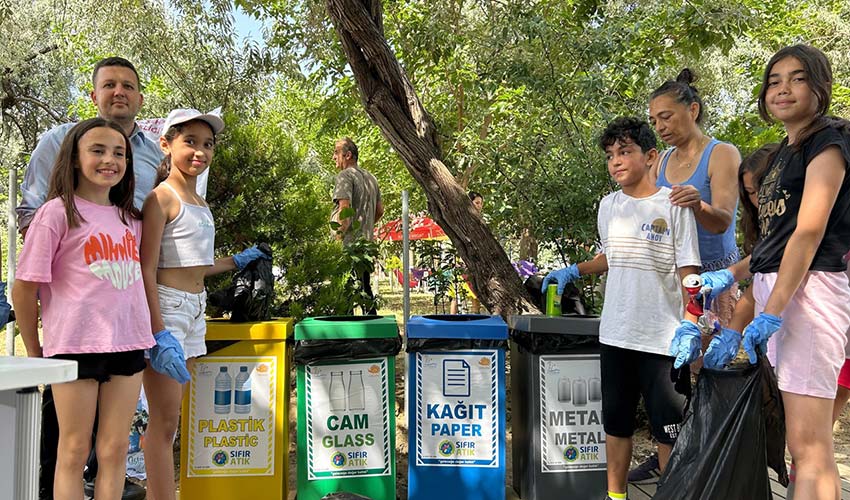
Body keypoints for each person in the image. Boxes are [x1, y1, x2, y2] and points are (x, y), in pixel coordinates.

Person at [697, 45, 850, 499]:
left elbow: (807, 234)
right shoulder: (787, 148)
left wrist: (774, 310)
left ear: (820, 86)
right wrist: (732, 275)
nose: (783, 89)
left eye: (797, 78)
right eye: (774, 80)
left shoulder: (829, 142)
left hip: (810, 291)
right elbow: (774, 241)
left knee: (810, 446)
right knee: (799, 446)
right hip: (780, 289)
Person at [18, 56, 158, 500]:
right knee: (73, 450)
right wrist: (36, 352)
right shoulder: (56, 213)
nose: (109, 160)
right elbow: (24, 288)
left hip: (129, 344)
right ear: (75, 158)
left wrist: (154, 335)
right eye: (97, 151)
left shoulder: (130, 219)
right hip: (75, 345)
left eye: (118, 153)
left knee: (115, 449)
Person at [541, 117, 700, 500]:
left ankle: (671, 494)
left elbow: (690, 272)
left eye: (625, 152)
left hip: (663, 339)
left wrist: (691, 323)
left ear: (650, 156)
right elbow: (612, 255)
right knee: (616, 424)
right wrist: (573, 270)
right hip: (615, 333)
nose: (616, 161)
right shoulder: (609, 206)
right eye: (610, 155)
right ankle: (616, 496)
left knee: (668, 427)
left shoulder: (674, 204)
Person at [140, 108, 269, 500]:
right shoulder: (160, 198)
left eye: (207, 144)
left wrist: (237, 261)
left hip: (195, 310)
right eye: (190, 142)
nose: (200, 151)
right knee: (162, 426)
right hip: (169, 310)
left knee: (171, 423)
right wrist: (158, 330)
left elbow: (196, 266)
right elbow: (145, 269)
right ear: (166, 145)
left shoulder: (199, 201)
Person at [630, 68, 742, 483]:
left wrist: (698, 204)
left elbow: (723, 220)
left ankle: (722, 460)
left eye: (667, 116)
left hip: (715, 281)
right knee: (676, 374)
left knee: (714, 373)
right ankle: (673, 457)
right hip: (674, 283)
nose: (659, 127)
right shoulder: (660, 164)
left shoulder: (721, 153)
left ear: (692, 110)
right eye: (654, 119)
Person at [331, 137, 383, 313]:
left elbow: (344, 211)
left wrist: (338, 242)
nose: (333, 157)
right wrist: (365, 227)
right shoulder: (371, 178)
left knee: (344, 295)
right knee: (365, 292)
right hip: (365, 247)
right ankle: (375, 333)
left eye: (336, 152)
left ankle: (345, 338)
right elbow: (380, 210)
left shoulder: (344, 176)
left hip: (348, 248)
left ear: (348, 155)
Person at [450, 191, 484, 314]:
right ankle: (451, 321)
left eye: (481, 203)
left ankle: (475, 321)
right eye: (477, 203)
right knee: (457, 294)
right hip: (463, 263)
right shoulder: (461, 220)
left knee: (476, 296)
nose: (479, 206)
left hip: (475, 263)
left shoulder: (479, 221)